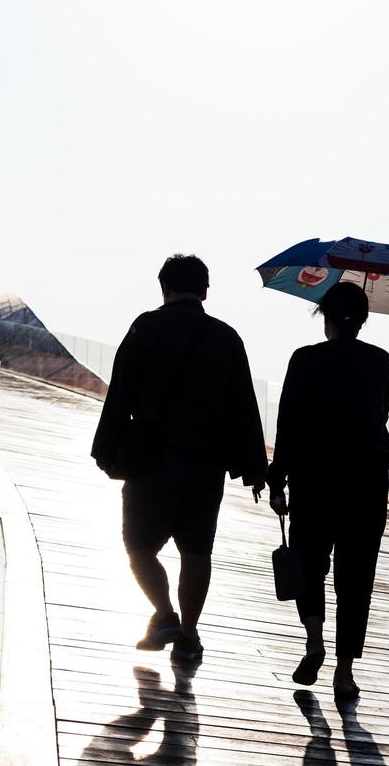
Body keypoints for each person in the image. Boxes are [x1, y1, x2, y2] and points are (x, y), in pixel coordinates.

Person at [92, 254, 267, 663]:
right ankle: (188, 636)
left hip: (152, 457)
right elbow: (244, 406)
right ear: (205, 291)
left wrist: (106, 448)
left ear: (164, 288)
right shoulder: (226, 338)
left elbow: (121, 390)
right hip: (207, 463)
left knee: (138, 547)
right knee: (196, 549)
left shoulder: (146, 327)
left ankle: (164, 613)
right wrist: (255, 468)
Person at [267, 281, 389, 699]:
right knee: (356, 580)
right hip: (365, 484)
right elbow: (379, 414)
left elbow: (288, 426)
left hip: (314, 481)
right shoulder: (381, 363)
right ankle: (344, 673)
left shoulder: (304, 361)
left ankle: (314, 642)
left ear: (324, 318)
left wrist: (277, 480)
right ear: (363, 320)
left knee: (309, 567)